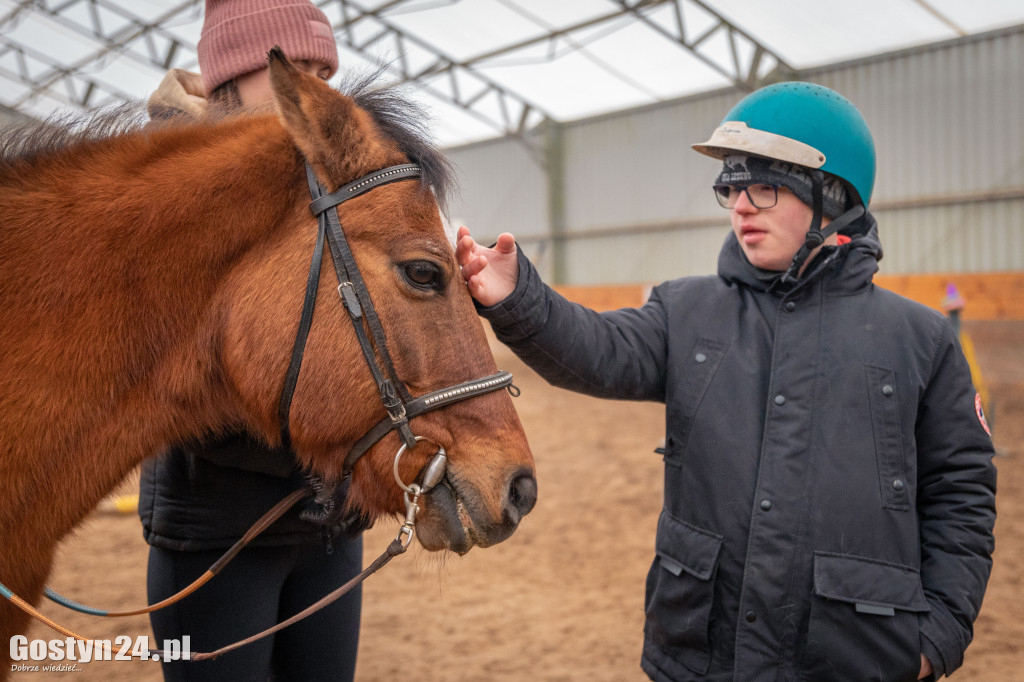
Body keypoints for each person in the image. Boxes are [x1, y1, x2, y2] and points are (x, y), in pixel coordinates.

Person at [456, 82, 996, 681]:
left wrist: (938, 637)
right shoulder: (688, 311)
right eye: (732, 188)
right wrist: (517, 297)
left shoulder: (921, 340)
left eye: (764, 188)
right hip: (701, 657)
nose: (740, 206)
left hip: (857, 661)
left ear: (834, 197)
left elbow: (961, 494)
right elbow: (599, 350)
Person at [138, 2, 366, 680]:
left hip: (329, 526)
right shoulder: (166, 190)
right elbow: (178, 382)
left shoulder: (328, 177)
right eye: (296, 68)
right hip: (217, 534)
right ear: (228, 80)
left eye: (325, 68)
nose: (319, 86)